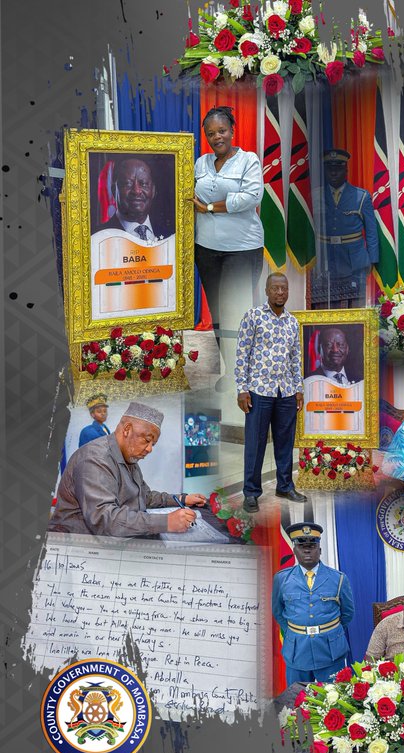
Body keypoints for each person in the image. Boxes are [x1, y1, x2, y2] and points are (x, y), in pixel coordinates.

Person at [49, 401, 206, 536]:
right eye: (147, 440)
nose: (150, 449)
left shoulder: (128, 458)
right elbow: (104, 521)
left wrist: (182, 499)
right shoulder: (95, 459)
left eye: (153, 444)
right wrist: (166, 522)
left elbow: (144, 497)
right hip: (78, 546)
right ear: (127, 430)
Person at [192, 105, 264, 376]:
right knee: (219, 316)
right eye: (211, 133)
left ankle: (247, 375)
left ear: (232, 131)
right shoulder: (201, 163)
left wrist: (210, 208)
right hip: (207, 249)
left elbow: (250, 199)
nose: (216, 137)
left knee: (240, 315)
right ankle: (230, 371)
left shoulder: (249, 161)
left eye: (221, 130)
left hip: (242, 249)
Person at [235, 272, 306, 513]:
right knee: (255, 444)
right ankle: (251, 492)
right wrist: (242, 389)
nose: (280, 293)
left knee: (285, 442)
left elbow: (296, 357)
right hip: (258, 390)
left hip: (285, 391)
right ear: (267, 290)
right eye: (275, 288)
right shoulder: (253, 316)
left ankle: (285, 485)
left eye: (283, 289)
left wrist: (298, 388)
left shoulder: (292, 322)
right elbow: (242, 353)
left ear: (288, 291)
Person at [271, 523, 355, 685]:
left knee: (335, 701)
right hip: (297, 650)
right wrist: (295, 633)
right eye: (301, 546)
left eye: (312, 546)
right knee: (297, 700)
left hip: (330, 650)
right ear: (295, 550)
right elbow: (278, 611)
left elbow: (348, 613)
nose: (307, 550)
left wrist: (330, 632)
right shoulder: (281, 579)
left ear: (320, 550)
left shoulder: (338, 579)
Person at [312, 149, 378, 309]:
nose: (334, 172)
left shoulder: (361, 196)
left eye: (338, 168)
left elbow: (371, 231)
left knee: (357, 308)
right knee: (324, 307)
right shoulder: (315, 195)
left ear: (346, 170)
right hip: (325, 258)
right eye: (329, 168)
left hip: (353, 259)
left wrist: (372, 259)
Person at [98, 158, 173, 241]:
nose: (136, 191)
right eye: (128, 183)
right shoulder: (98, 237)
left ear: (153, 191)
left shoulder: (171, 236)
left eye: (143, 184)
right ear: (114, 190)